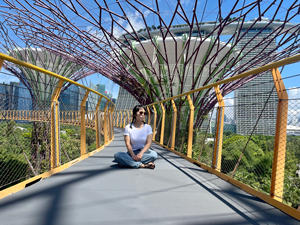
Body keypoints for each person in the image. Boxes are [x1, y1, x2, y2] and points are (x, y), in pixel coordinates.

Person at [114, 105, 157, 169]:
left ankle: (127, 163)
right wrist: (133, 155)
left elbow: (149, 143)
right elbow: (128, 144)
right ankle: (142, 165)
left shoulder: (148, 127)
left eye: (144, 113)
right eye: (140, 113)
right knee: (117, 155)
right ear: (134, 114)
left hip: (143, 153)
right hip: (131, 153)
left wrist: (141, 153)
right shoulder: (128, 127)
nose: (143, 115)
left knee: (154, 154)